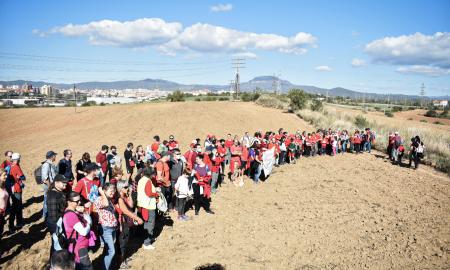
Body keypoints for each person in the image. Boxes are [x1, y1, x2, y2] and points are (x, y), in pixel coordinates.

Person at [60, 191, 93, 269]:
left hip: (80, 245)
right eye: (76, 201)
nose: (79, 203)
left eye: (80, 200)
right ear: (69, 202)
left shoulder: (74, 211)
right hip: (78, 247)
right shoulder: (70, 215)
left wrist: (84, 212)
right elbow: (84, 232)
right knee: (86, 267)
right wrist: (89, 224)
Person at [116, 180, 143, 268]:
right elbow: (126, 211)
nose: (128, 188)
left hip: (127, 223)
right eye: (126, 187)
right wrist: (137, 218)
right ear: (120, 188)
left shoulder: (124, 196)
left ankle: (124, 258)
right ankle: (120, 262)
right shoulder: (119, 199)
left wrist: (129, 194)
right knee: (122, 243)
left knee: (126, 240)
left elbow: (131, 206)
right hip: (122, 223)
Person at [94, 183, 118, 270]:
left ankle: (106, 266)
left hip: (112, 228)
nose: (113, 192)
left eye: (114, 190)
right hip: (106, 229)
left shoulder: (109, 199)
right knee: (111, 251)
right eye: (111, 190)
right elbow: (106, 204)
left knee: (108, 250)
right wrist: (101, 192)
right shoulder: (100, 199)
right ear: (104, 191)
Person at [46, 174, 69, 258]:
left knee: (59, 242)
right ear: (56, 183)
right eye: (63, 183)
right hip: (55, 223)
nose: (65, 184)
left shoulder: (60, 192)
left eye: (66, 183)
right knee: (57, 243)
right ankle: (54, 261)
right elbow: (53, 215)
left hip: (60, 221)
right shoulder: (52, 195)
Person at [137, 167, 159, 250]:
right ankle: (147, 243)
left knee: (146, 223)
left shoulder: (141, 179)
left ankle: (147, 238)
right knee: (150, 223)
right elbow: (149, 193)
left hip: (142, 205)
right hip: (149, 205)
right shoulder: (148, 181)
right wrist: (156, 194)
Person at [9, 153, 25, 231]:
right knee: (16, 207)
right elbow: (23, 177)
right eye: (19, 159)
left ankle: (19, 222)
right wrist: (21, 178)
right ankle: (12, 225)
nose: (20, 160)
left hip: (15, 188)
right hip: (16, 189)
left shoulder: (12, 165)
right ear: (17, 159)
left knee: (17, 207)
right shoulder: (16, 166)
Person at [42, 150, 58, 219]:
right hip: (48, 186)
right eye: (54, 155)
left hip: (51, 185)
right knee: (47, 201)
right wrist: (50, 187)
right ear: (52, 156)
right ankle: (45, 216)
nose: (55, 157)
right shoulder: (46, 165)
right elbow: (45, 178)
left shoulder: (50, 164)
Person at [0, 168, 9, 240]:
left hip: (3, 212)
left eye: (6, 174)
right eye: (4, 175)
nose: (6, 176)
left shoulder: (3, 185)